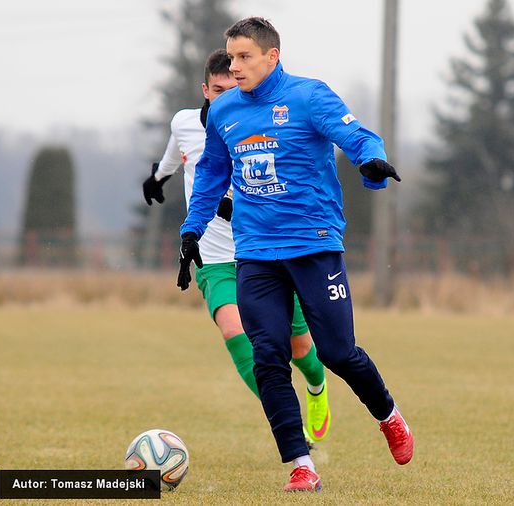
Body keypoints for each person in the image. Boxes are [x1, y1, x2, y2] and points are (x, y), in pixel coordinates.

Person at [177, 18, 414, 492]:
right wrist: (191, 231)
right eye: (231, 56)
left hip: (313, 245)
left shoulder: (309, 96)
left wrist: (370, 162)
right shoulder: (223, 111)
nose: (234, 66)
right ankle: (302, 465)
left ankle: (389, 415)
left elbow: (357, 136)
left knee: (337, 352)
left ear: (272, 57)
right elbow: (210, 176)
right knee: (268, 357)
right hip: (255, 252)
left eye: (244, 57)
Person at [143, 49, 332, 445]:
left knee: (300, 347)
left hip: (265, 251)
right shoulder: (184, 123)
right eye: (217, 90)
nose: (224, 97)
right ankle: (289, 423)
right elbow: (176, 154)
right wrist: (158, 178)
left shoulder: (257, 123)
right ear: (205, 90)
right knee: (234, 330)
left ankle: (316, 387)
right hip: (214, 258)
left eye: (232, 89)